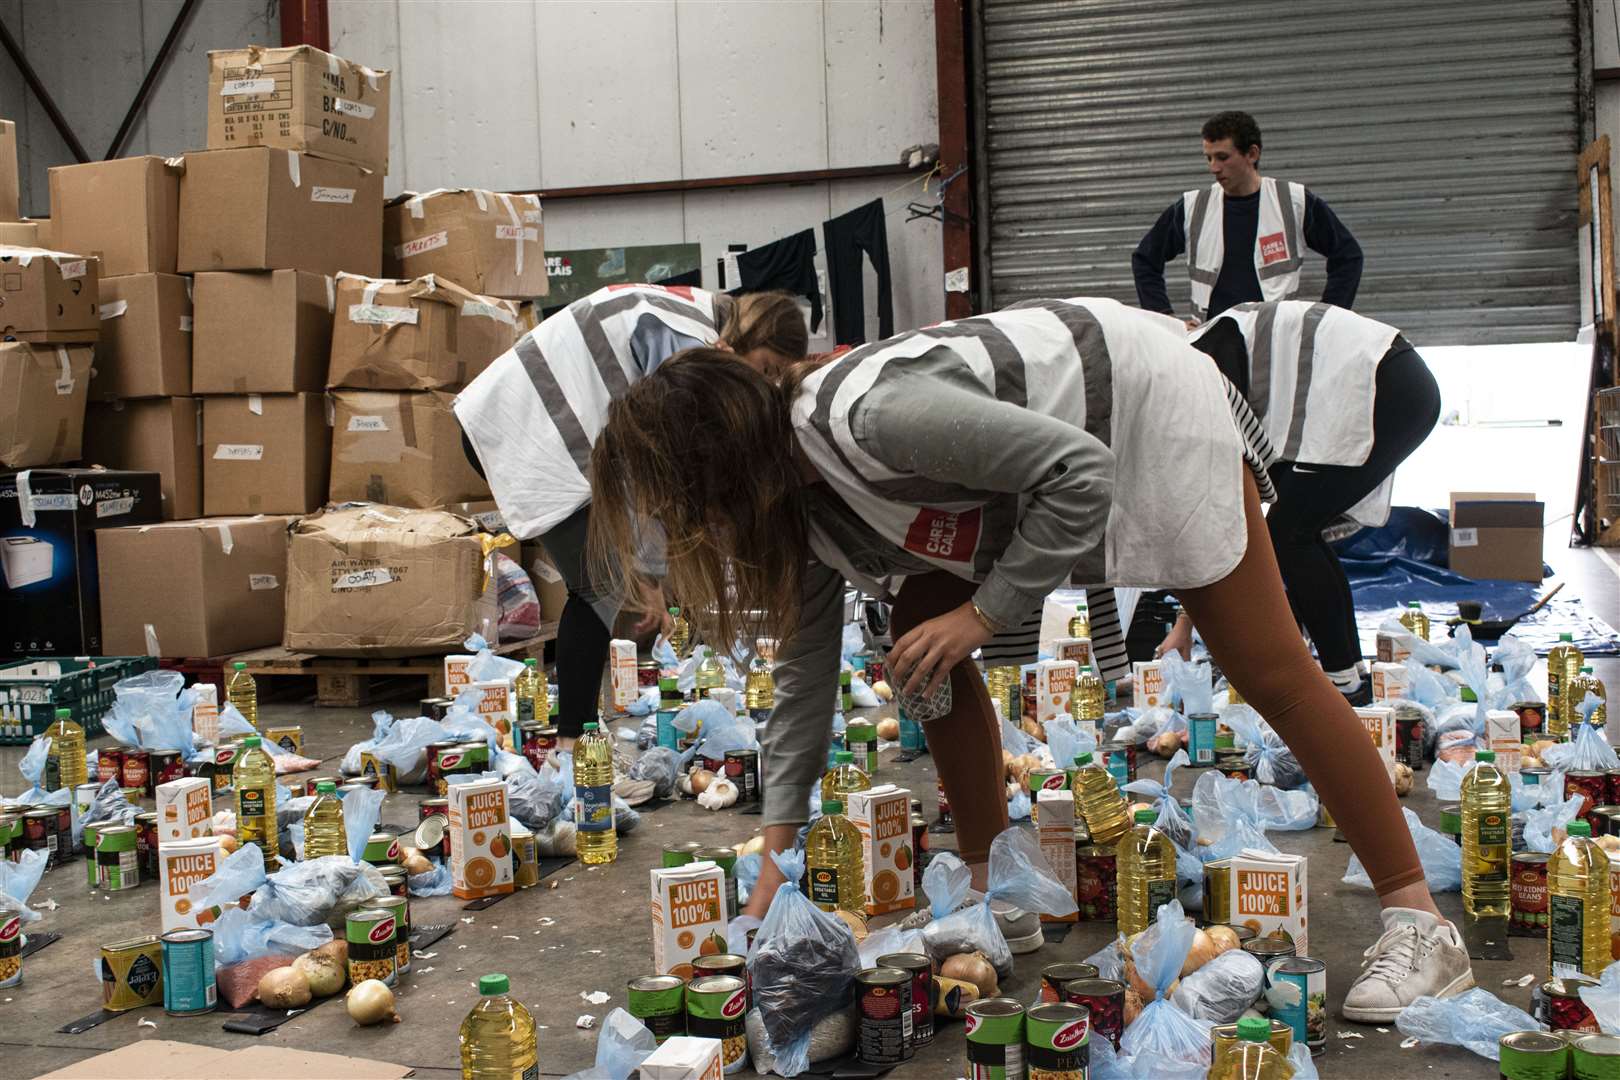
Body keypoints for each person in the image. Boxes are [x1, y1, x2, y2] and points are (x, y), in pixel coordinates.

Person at [589, 297, 1473, 1022]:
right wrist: (775, 862)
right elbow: (805, 673)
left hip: (1142, 408)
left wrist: (986, 614)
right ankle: (991, 886)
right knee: (918, 645)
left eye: (687, 505)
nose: (691, 530)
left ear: (725, 469)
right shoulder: (800, 503)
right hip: (1036, 474)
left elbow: (1077, 471)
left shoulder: (866, 416)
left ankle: (1418, 919)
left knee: (1267, 664)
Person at [454, 284, 808, 749]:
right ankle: (573, 747)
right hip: (527, 427)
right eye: (765, 369)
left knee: (604, 579)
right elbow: (663, 468)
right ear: (748, 334)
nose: (758, 386)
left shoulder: (694, 320)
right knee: (598, 585)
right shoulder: (690, 343)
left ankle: (578, 732)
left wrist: (650, 575)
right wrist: (650, 574)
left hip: (543, 424)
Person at [1154, 301, 1441, 706]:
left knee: (1288, 535)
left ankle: (1340, 681)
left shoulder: (1200, 360)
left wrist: (1189, 621)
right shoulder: (1219, 345)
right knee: (1298, 530)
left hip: (1385, 386)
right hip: (1401, 385)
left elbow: (1228, 494)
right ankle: (1350, 674)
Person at [1133, 110, 1363, 326]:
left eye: (1222, 157)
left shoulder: (1293, 202)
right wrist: (1166, 319)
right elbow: (1144, 260)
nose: (1214, 168)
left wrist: (1327, 319)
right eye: (1209, 158)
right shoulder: (1193, 208)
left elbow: (1348, 256)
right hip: (1212, 346)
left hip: (1275, 341)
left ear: (1252, 154)